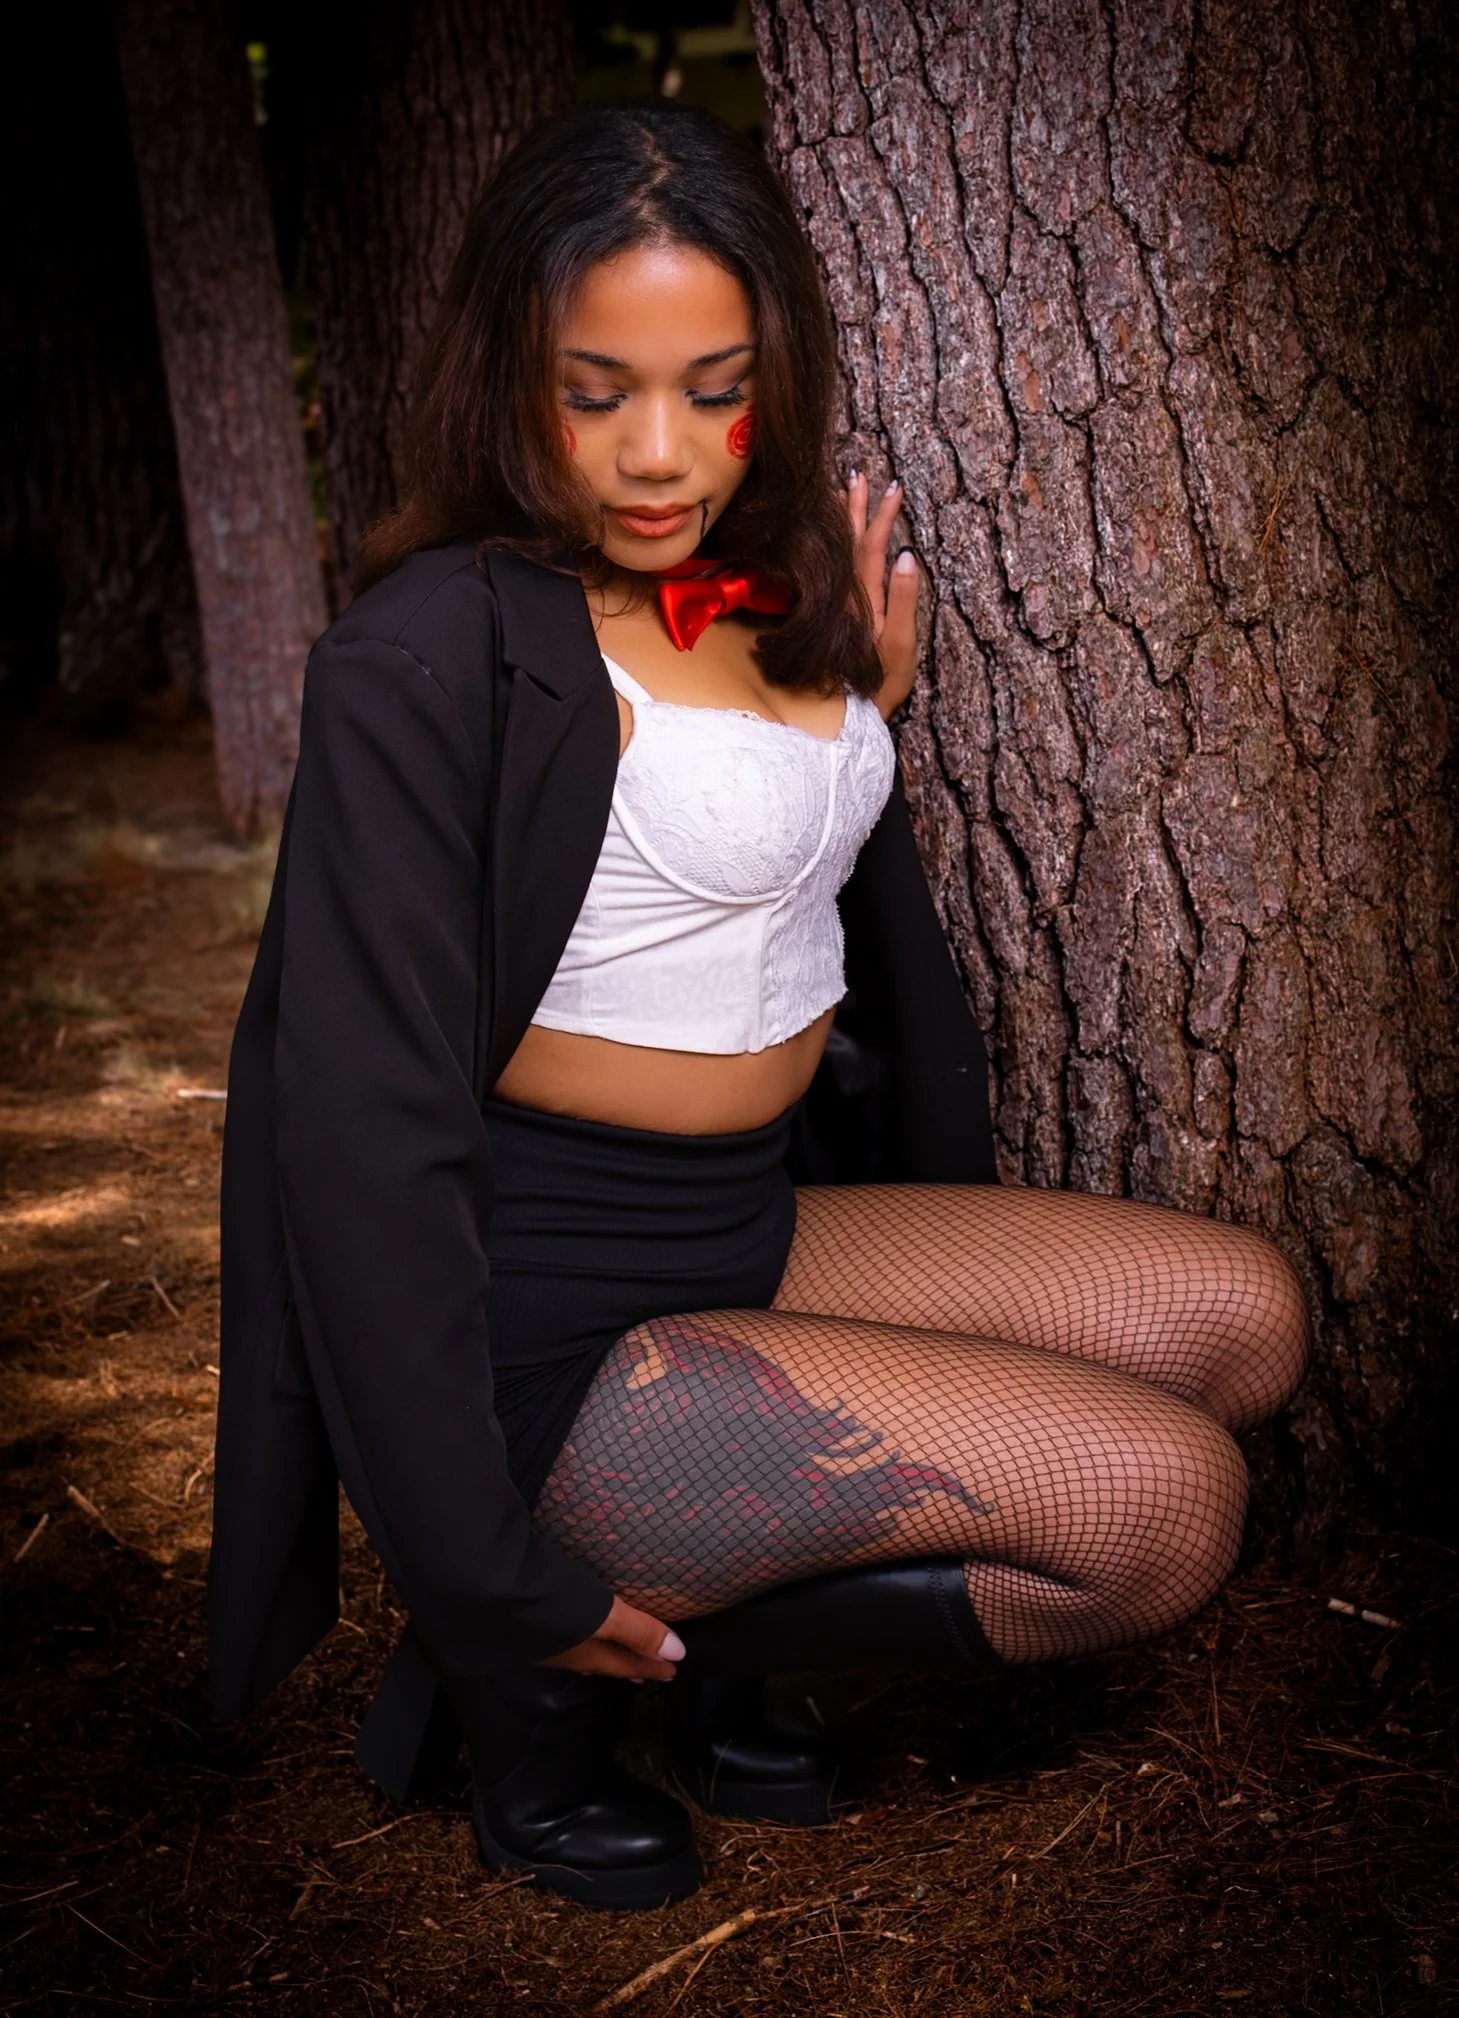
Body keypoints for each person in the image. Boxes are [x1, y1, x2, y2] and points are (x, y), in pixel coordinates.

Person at [210, 100, 1310, 1911]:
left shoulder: (764, 592)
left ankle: (718, 1631)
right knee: (1161, 1509)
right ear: (512, 378)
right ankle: (535, 1684)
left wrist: (862, 707)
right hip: (545, 1329)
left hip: (743, 1226)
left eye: (712, 386)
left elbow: (731, 863)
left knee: (1244, 1320)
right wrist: (488, 1568)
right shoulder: (425, 654)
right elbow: (364, 1144)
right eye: (596, 391)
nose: (661, 454)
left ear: (770, 372)